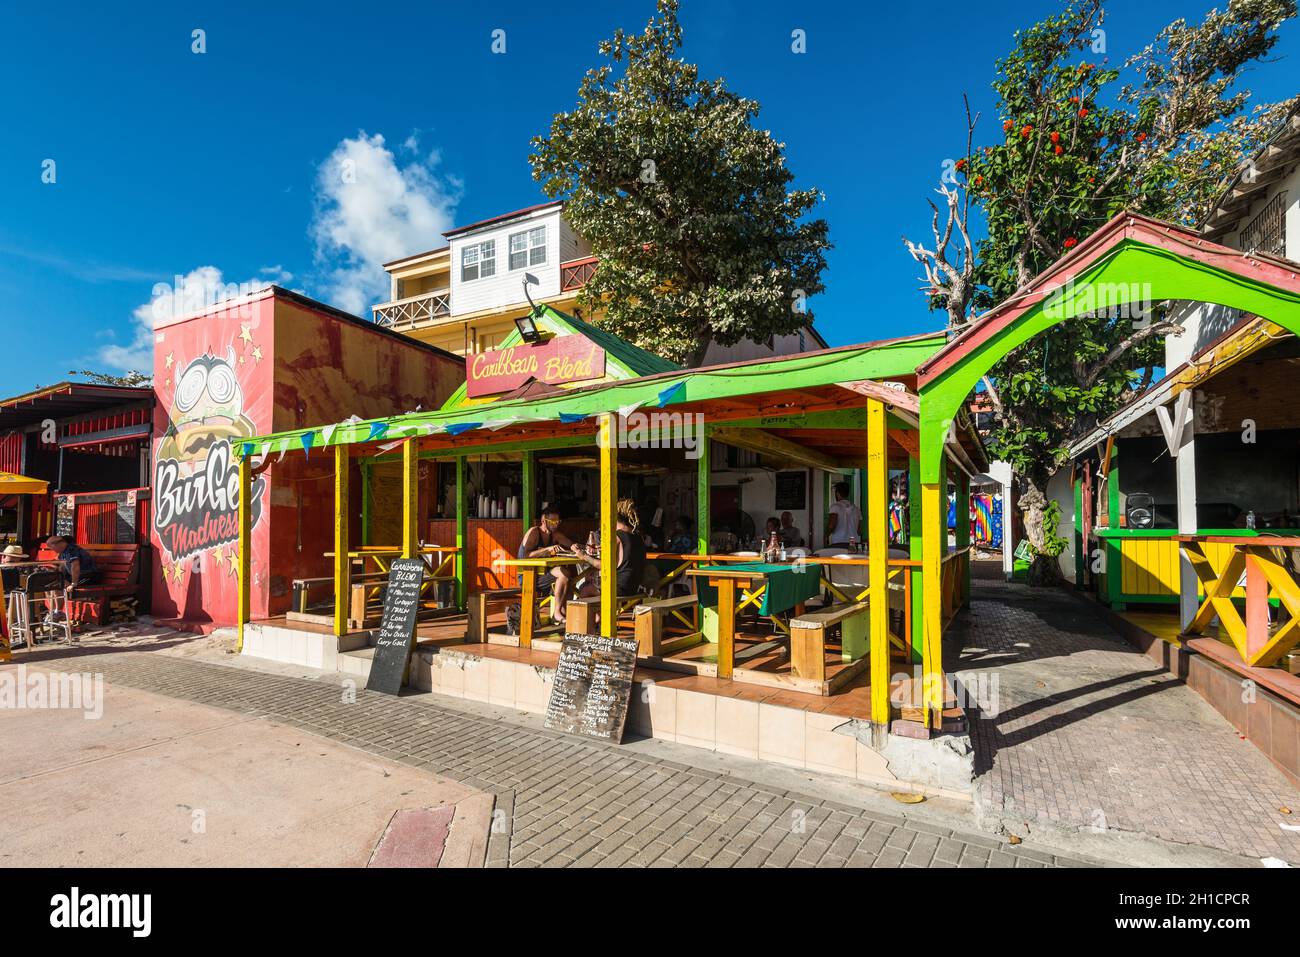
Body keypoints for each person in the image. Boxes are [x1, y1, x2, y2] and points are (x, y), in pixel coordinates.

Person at [574, 499, 647, 602]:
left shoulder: (616, 537)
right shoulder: (638, 536)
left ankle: (596, 618)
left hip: (619, 588)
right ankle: (598, 617)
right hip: (634, 587)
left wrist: (584, 556)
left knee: (585, 589)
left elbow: (605, 566)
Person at [516, 504, 577, 623]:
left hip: (544, 573)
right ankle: (557, 613)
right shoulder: (534, 532)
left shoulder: (555, 535)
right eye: (552, 521)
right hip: (528, 575)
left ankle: (563, 612)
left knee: (569, 575)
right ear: (543, 521)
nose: (555, 524)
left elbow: (572, 546)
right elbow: (525, 556)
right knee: (563, 573)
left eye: (557, 522)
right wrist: (547, 549)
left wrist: (580, 548)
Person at [44, 535, 102, 622]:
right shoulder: (62, 553)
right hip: (77, 575)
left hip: (89, 575)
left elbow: (75, 566)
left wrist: (73, 584)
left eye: (51, 547)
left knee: (59, 585)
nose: (52, 550)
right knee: (49, 585)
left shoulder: (72, 550)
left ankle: (58, 612)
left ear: (60, 543)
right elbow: (62, 567)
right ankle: (53, 612)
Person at [826, 481, 862, 547]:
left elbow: (831, 526)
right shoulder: (857, 509)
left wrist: (825, 536)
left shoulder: (835, 507)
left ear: (837, 493)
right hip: (854, 544)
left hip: (839, 543)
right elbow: (859, 531)